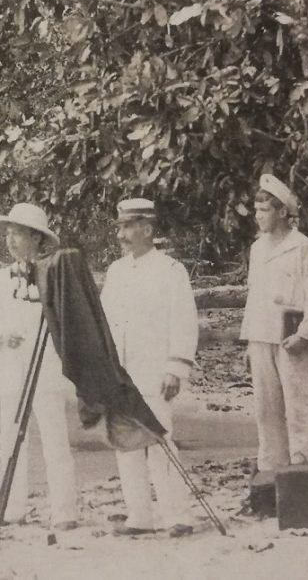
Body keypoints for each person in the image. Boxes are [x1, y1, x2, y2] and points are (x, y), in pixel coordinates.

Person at [100, 198, 199, 538]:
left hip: (155, 371)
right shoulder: (116, 272)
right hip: (121, 374)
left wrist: (176, 367)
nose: (122, 235)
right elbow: (106, 323)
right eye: (120, 227)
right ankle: (139, 515)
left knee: (161, 443)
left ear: (147, 228)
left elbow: (184, 323)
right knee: (126, 443)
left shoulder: (171, 271)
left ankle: (178, 515)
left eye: (128, 227)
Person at [0, 202, 79, 530]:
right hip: (11, 370)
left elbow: (68, 322)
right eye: (8, 234)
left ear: (37, 238)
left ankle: (64, 510)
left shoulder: (53, 276)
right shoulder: (1, 279)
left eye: (18, 234)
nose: (11, 240)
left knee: (54, 439)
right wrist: (1, 337)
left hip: (47, 369)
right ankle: (12, 507)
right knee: (9, 440)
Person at [241, 174, 308, 472]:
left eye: (264, 211)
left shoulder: (302, 246)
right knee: (266, 411)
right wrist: (249, 342)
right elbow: (255, 296)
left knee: (298, 408)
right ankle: (272, 473)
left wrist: (305, 334)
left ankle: (306, 477)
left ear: (281, 212)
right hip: (262, 335)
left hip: (292, 337)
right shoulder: (257, 249)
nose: (258, 217)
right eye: (256, 211)